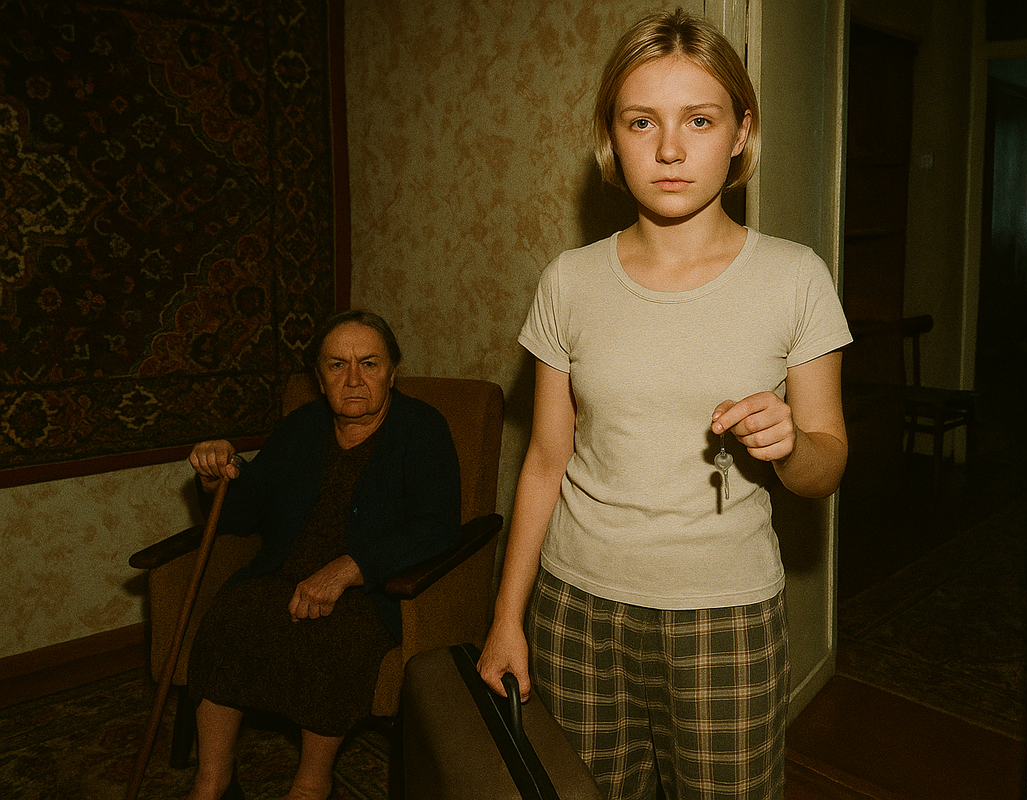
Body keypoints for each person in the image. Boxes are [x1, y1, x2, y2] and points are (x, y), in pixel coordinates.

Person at [477, 8, 852, 800]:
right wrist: (507, 617)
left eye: (700, 120)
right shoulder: (569, 281)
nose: (670, 149)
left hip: (725, 618)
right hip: (575, 608)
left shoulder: (796, 278)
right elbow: (544, 461)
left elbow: (825, 469)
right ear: (611, 138)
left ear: (741, 131)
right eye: (642, 121)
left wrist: (790, 444)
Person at [184, 309, 461, 800]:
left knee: (331, 639)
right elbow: (245, 511)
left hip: (375, 591)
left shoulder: (423, 429)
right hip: (285, 572)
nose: (353, 379)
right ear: (319, 377)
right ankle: (212, 783)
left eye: (369, 364)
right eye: (337, 365)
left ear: (392, 372)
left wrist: (352, 567)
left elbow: (436, 527)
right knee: (228, 616)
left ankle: (312, 784)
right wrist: (215, 479)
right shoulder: (300, 427)